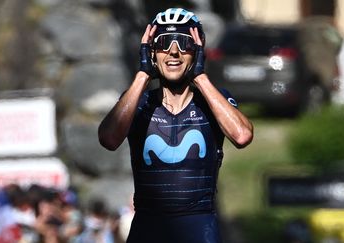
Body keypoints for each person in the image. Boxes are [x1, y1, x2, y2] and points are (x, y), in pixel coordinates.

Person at [98, 7, 253, 243]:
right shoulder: (138, 102)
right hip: (148, 226)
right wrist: (142, 75)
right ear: (151, 52)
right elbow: (108, 139)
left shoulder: (214, 100)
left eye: (184, 44)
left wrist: (200, 77)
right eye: (164, 44)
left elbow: (242, 136)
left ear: (197, 52)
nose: (174, 53)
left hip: (199, 225)